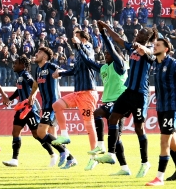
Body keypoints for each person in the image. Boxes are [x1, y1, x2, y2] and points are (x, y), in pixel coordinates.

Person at [95, 23, 158, 179]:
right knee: (113, 118)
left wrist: (143, 48)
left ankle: (145, 162)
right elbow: (117, 39)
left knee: (139, 128)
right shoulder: (132, 48)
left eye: (142, 32)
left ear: (147, 36)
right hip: (128, 91)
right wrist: (106, 29)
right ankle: (111, 154)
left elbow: (148, 51)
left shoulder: (150, 51)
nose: (137, 33)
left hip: (140, 94)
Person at [70, 22, 129, 172]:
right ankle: (124, 168)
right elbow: (88, 62)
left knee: (97, 113)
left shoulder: (119, 65)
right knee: (117, 139)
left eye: (108, 54)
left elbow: (111, 49)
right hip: (110, 101)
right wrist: (77, 48)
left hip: (120, 101)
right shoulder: (104, 67)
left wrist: (103, 34)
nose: (105, 55)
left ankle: (101, 144)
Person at [50, 30, 99, 165]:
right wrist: (61, 73)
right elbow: (75, 71)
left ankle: (94, 157)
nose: (73, 39)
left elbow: (88, 59)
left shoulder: (88, 47)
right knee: (57, 105)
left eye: (76, 37)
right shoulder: (79, 54)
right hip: (78, 93)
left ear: (83, 38)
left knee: (89, 125)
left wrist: (79, 45)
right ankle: (64, 135)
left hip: (88, 93)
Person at [2, 55, 57, 167]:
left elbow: (34, 84)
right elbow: (19, 90)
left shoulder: (26, 75)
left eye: (16, 63)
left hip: (29, 109)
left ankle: (53, 154)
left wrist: (31, 98)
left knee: (37, 134)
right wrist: (10, 99)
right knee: (15, 132)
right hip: (21, 108)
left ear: (22, 65)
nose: (14, 65)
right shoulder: (19, 76)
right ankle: (14, 159)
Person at [28, 46, 76, 168]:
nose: (36, 54)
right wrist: (32, 95)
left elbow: (62, 71)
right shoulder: (38, 70)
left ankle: (63, 152)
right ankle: (71, 158)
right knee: (51, 134)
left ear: (45, 56)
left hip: (52, 105)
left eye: (39, 52)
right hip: (46, 106)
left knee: (40, 132)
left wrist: (59, 73)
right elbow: (35, 84)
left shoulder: (50, 66)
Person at [146, 38, 176, 185]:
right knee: (172, 143)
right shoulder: (155, 64)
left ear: (166, 49)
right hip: (161, 107)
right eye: (154, 44)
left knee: (164, 141)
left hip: (171, 106)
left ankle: (159, 178)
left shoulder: (173, 64)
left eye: (158, 45)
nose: (154, 46)